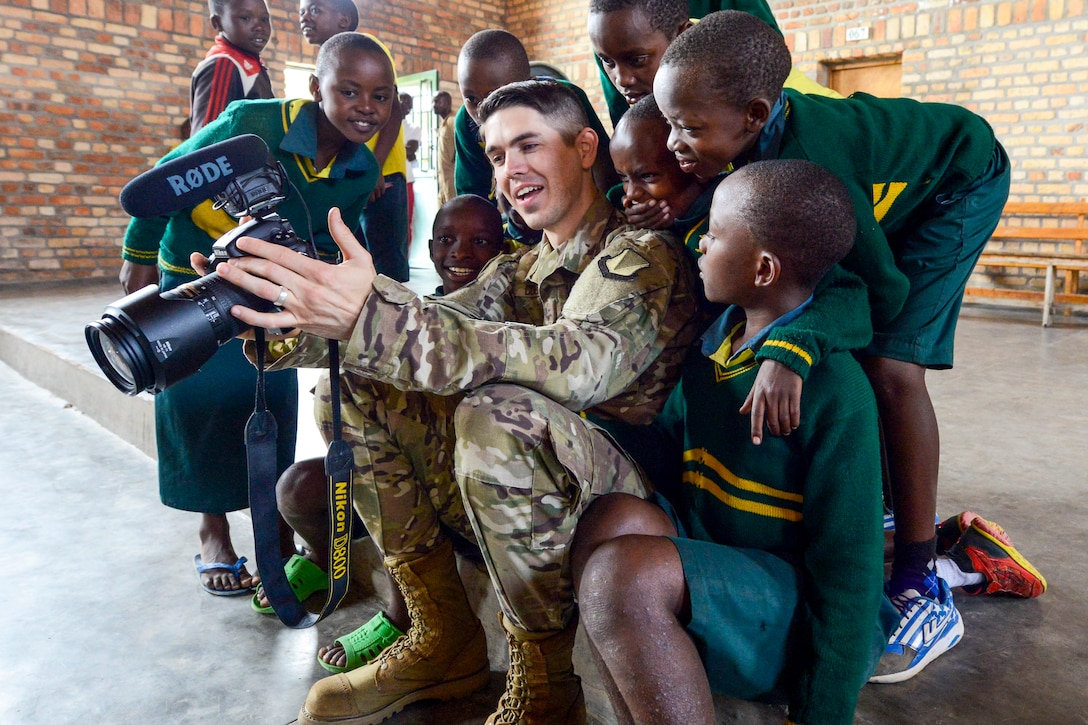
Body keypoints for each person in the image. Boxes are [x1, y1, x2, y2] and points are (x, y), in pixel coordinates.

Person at [209, 78, 701, 725]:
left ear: (585, 148)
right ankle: (444, 633)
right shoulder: (521, 266)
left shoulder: (641, 255)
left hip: (625, 507)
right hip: (531, 487)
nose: (510, 169)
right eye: (497, 155)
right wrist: (284, 319)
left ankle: (549, 685)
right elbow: (431, 327)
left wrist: (366, 315)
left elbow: (576, 364)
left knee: (493, 413)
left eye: (528, 145)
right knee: (356, 379)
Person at [653, 10, 1020, 682]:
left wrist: (792, 345)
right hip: (886, 189)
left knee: (888, 363)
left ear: (754, 115)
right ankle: (878, 503)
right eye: (669, 122)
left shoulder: (811, 154)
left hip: (957, 182)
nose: (675, 142)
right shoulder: (753, 137)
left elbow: (873, 288)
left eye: (690, 129)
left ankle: (917, 583)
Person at [572, 158, 895, 725]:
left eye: (715, 234)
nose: (698, 242)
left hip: (793, 621)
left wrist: (823, 713)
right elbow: (666, 453)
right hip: (727, 578)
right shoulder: (717, 345)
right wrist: (575, 411)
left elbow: (850, 574)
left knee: (620, 574)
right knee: (610, 522)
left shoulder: (835, 393)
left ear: (764, 269)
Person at [118, 32, 391, 596]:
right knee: (198, 398)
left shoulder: (362, 169)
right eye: (350, 90)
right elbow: (166, 180)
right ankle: (212, 530)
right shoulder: (253, 125)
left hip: (269, 292)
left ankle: (276, 534)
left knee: (269, 405)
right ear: (316, 88)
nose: (367, 107)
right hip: (197, 271)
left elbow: (331, 232)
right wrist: (139, 257)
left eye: (382, 96)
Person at [250, 193, 508, 676]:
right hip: (393, 459)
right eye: (448, 240)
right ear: (429, 248)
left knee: (397, 507)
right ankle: (324, 562)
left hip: (456, 479)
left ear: (502, 249)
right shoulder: (415, 309)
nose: (461, 253)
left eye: (481, 242)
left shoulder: (500, 314)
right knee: (298, 488)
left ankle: (403, 613)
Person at [588, 0, 836, 128]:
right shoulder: (614, 28)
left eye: (637, 60)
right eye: (607, 61)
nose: (622, 80)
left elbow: (767, 51)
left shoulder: (739, 85)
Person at [299, 0, 411, 281]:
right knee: (352, 259)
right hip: (348, 175)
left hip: (381, 177)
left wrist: (376, 167)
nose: (304, 18)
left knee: (386, 265)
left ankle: (397, 323)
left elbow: (393, 112)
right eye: (301, 11)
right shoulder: (328, 64)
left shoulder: (366, 48)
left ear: (344, 20)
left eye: (315, 9)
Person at [454, 29, 618, 202]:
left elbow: (604, 168)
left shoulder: (564, 97)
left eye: (496, 95)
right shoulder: (466, 122)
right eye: (471, 99)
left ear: (528, 82)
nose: (482, 112)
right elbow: (472, 194)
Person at [190, 0, 273, 136]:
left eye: (264, 19)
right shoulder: (223, 65)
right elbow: (207, 140)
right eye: (245, 18)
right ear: (217, 23)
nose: (259, 27)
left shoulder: (252, 65)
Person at [428, 194, 507, 295]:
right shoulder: (417, 310)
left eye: (479, 241)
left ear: (502, 253)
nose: (460, 253)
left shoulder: (516, 308)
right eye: (445, 239)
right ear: (431, 250)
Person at [400, 92, 422, 236]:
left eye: (410, 104)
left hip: (406, 179)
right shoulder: (383, 125)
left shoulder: (414, 128)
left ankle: (404, 258)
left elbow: (410, 151)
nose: (407, 106)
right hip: (385, 179)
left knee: (405, 222)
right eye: (404, 101)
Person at [432, 90, 456, 206]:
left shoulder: (453, 121)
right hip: (443, 181)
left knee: (455, 216)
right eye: (433, 102)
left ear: (447, 103)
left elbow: (460, 146)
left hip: (453, 181)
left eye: (437, 102)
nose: (434, 105)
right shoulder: (443, 123)